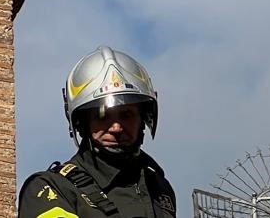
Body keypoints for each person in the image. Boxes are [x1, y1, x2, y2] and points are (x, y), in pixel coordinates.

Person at [18, 46, 176, 218]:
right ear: (82, 124)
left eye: (126, 115)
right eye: (103, 116)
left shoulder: (159, 188)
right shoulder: (51, 189)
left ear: (143, 119)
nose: (116, 127)